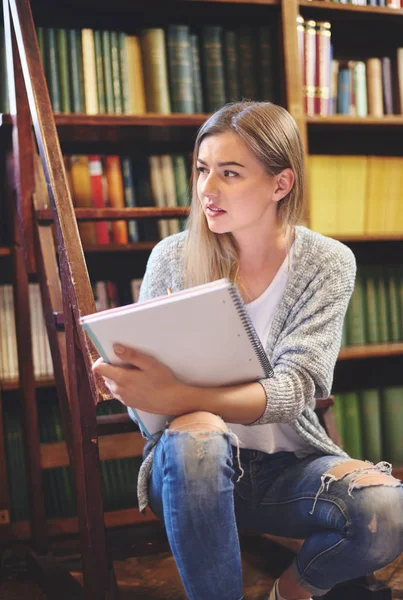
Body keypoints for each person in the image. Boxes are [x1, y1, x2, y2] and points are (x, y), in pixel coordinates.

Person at [93, 102, 403, 600]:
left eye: (230, 173)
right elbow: (144, 401)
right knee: (199, 440)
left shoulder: (326, 262)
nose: (207, 190)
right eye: (201, 170)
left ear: (280, 184)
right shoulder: (171, 257)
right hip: (187, 467)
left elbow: (296, 387)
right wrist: (136, 386)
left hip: (288, 468)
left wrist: (177, 393)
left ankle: (291, 592)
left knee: (387, 510)